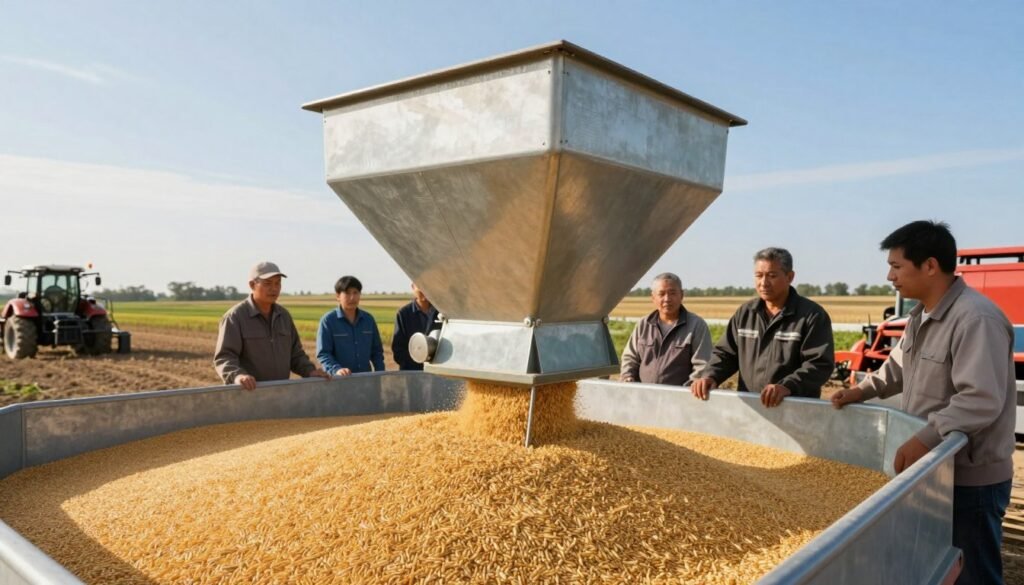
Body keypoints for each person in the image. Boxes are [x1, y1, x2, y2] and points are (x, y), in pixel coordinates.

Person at [831, 220, 1015, 585]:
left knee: (972, 571)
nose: (889, 276)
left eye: (897, 266)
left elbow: (980, 399)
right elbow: (897, 366)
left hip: (969, 478)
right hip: (934, 471)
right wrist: (860, 391)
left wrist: (926, 437)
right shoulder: (920, 316)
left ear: (930, 265)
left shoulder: (974, 318)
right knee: (938, 567)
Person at [690, 247, 834, 407]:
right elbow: (726, 353)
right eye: (759, 275)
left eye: (772, 276)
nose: (763, 283)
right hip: (751, 408)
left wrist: (788, 386)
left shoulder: (811, 316)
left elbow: (819, 364)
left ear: (790, 277)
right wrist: (711, 375)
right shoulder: (745, 313)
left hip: (795, 410)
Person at [214, 261, 329, 390]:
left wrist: (310, 371)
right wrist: (238, 376)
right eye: (268, 283)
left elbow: (296, 354)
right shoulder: (235, 317)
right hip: (248, 395)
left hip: (280, 394)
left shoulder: (284, 316)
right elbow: (225, 357)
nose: (274, 288)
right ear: (252, 285)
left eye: (277, 283)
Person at [620, 273, 712, 386]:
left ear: (682, 295)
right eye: (661, 294)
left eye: (672, 293)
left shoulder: (696, 325)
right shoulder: (644, 324)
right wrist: (627, 377)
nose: (667, 299)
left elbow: (702, 366)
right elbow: (630, 357)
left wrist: (686, 391)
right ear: (653, 298)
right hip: (643, 396)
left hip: (679, 398)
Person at [316, 275, 385, 376]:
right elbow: (323, 354)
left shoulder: (368, 320)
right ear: (338, 296)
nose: (352, 297)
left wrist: (381, 374)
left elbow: (377, 352)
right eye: (347, 293)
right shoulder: (328, 321)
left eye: (355, 293)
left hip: (365, 380)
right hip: (339, 381)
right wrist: (337, 370)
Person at [391, 283, 441, 371]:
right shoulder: (403, 314)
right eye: (421, 287)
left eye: (427, 287)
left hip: (437, 372)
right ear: (413, 287)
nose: (425, 291)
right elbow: (398, 350)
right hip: (413, 374)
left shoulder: (442, 312)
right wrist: (418, 361)